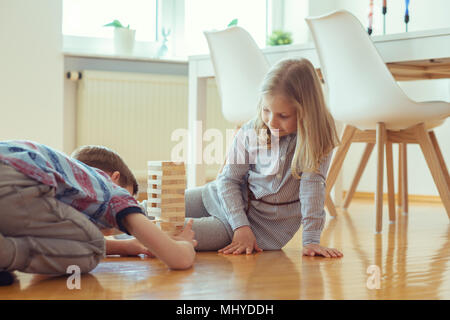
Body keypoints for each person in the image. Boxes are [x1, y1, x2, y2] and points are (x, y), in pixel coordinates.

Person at [184, 58, 344, 258]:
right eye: (266, 110)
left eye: (283, 116)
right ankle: (133, 227)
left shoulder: (317, 138)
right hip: (221, 198)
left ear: (306, 113)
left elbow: (312, 190)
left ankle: (136, 238)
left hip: (246, 229)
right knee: (158, 207)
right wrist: (240, 224)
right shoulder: (253, 128)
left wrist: (311, 240)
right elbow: (228, 180)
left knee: (170, 230)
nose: (271, 122)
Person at [0, 141, 197, 285]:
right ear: (116, 179)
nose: (116, 225)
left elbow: (64, 239)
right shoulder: (111, 190)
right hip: (16, 182)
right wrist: (185, 245)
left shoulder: (67, 178)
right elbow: (178, 260)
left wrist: (127, 246)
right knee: (93, 246)